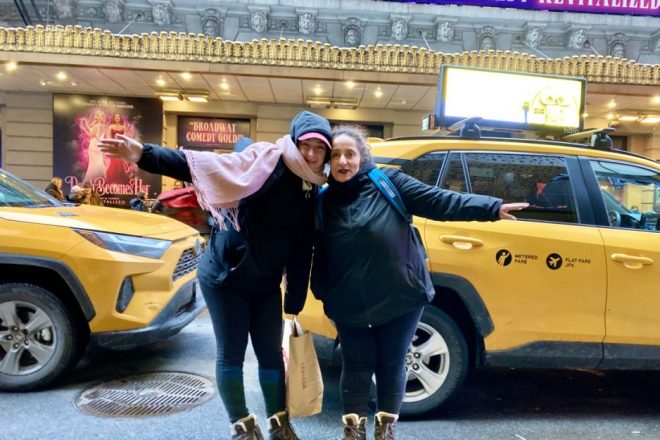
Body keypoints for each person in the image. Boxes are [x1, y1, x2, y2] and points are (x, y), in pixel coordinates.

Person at [97, 111, 332, 440]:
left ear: (325, 154)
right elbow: (198, 163)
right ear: (294, 141)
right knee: (231, 354)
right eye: (305, 145)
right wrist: (144, 154)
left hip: (264, 283)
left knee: (270, 355)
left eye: (318, 149)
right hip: (226, 277)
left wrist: (293, 301)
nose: (310, 153)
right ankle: (242, 425)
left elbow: (300, 248)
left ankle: (279, 423)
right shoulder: (266, 162)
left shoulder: (313, 188)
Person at [310, 126, 528, 440]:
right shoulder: (322, 199)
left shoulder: (388, 183)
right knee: (356, 366)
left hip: (400, 296)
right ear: (328, 162)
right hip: (349, 301)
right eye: (335, 155)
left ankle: (386, 431)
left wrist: (491, 207)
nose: (343, 161)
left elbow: (440, 201)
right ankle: (353, 432)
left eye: (350, 154)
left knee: (392, 363)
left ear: (362, 157)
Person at [80, 110, 110, 184]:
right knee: (98, 163)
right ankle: (102, 179)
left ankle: (89, 182)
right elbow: (92, 131)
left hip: (94, 146)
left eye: (98, 115)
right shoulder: (103, 126)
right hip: (99, 146)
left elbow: (91, 135)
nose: (96, 117)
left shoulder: (98, 125)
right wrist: (86, 123)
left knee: (93, 165)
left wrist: (84, 127)